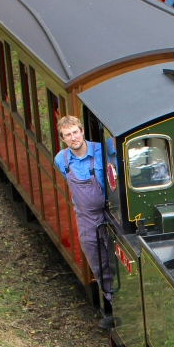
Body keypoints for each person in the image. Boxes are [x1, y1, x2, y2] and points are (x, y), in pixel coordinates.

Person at [54, 116, 116, 328]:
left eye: (75, 132)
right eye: (67, 135)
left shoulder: (102, 151)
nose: (73, 138)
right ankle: (114, 307)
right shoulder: (61, 160)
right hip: (86, 218)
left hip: (109, 213)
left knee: (117, 259)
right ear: (63, 139)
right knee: (98, 264)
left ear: (82, 131)